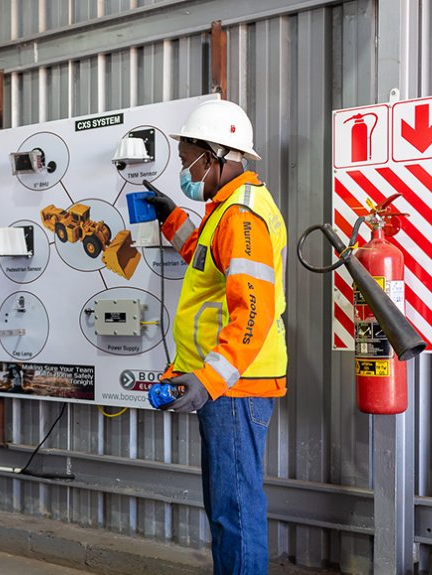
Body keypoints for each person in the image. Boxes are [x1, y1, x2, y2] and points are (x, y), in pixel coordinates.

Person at [146, 99, 287, 575]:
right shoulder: (225, 210)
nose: (186, 170)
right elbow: (206, 264)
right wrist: (171, 216)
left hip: (233, 386)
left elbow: (253, 314)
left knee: (235, 510)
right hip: (225, 384)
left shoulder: (242, 216)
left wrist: (209, 380)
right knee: (226, 506)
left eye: (189, 161)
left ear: (215, 154)